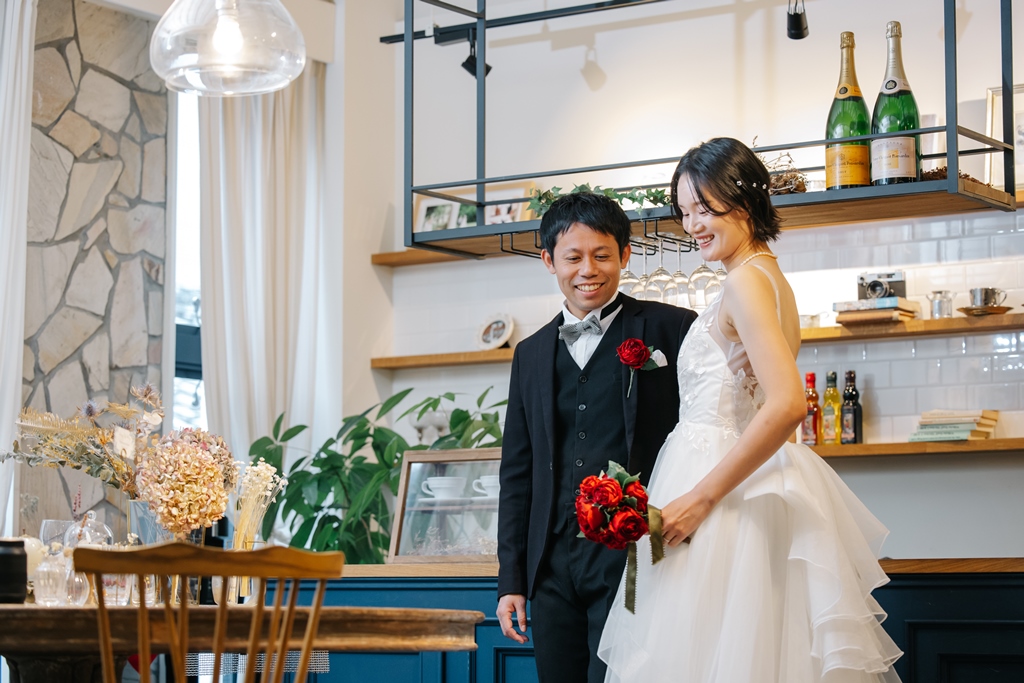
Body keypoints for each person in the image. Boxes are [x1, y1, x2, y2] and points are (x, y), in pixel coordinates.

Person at [597, 137, 903, 682]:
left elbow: (787, 403)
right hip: (746, 481)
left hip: (719, 489)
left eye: (703, 208)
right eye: (684, 211)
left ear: (743, 199)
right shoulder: (769, 277)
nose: (692, 225)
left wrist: (700, 498)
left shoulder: (745, 282)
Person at [496, 192, 698, 683]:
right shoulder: (530, 353)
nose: (588, 270)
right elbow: (517, 472)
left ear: (625, 255)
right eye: (573, 257)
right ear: (549, 261)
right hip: (551, 564)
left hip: (638, 557)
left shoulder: (672, 328)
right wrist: (511, 581)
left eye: (602, 255)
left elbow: (699, 433)